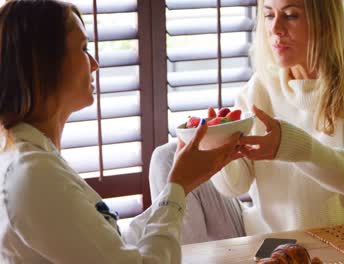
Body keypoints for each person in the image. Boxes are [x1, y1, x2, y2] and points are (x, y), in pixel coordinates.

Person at [0, 1, 240, 263]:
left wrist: (181, 186)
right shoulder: (34, 174)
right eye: (83, 49)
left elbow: (110, 244)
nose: (94, 64)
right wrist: (177, 186)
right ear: (43, 62)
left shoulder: (33, 159)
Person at [150, 0, 344, 241]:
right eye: (268, 15)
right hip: (265, 239)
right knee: (167, 158)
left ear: (325, 23)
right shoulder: (262, 84)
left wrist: (290, 147)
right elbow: (236, 186)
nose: (275, 29)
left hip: (333, 240)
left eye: (290, 15)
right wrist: (218, 148)